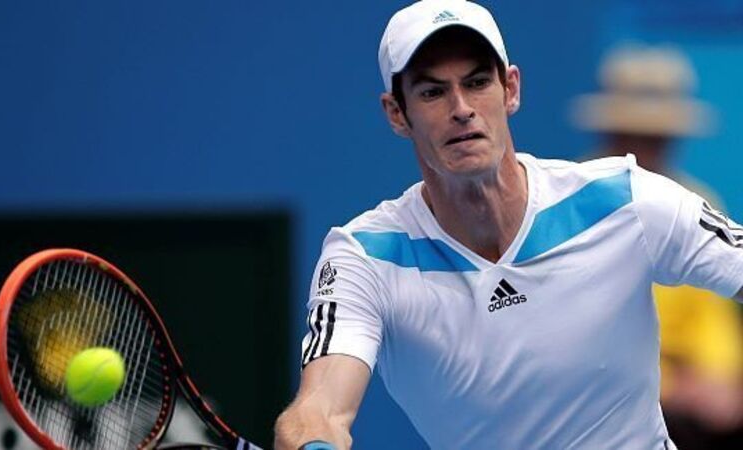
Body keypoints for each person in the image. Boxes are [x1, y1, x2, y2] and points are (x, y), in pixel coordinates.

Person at [273, 1, 743, 448]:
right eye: (432, 91)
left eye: (477, 82)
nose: (461, 107)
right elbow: (318, 411)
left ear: (510, 89)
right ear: (397, 113)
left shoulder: (627, 200)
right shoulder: (363, 258)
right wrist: (314, 440)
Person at [571, 45, 743, 448]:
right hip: (598, 406)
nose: (646, 151)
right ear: (610, 134)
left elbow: (712, 318)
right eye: (633, 136)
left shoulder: (698, 204)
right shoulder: (567, 210)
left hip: (688, 408)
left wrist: (720, 378)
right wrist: (673, 384)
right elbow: (572, 342)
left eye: (657, 138)